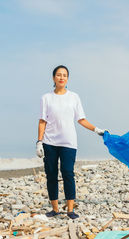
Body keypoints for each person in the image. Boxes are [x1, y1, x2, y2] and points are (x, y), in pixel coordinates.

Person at [36, 65, 106, 219]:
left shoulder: (74, 97)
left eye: (65, 75)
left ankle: (70, 210)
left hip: (69, 142)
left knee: (68, 173)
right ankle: (54, 209)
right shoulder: (46, 98)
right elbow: (42, 121)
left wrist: (97, 130)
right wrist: (39, 141)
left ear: (67, 78)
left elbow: (81, 119)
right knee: (51, 174)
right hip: (49, 142)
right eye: (59, 75)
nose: (62, 77)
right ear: (54, 78)